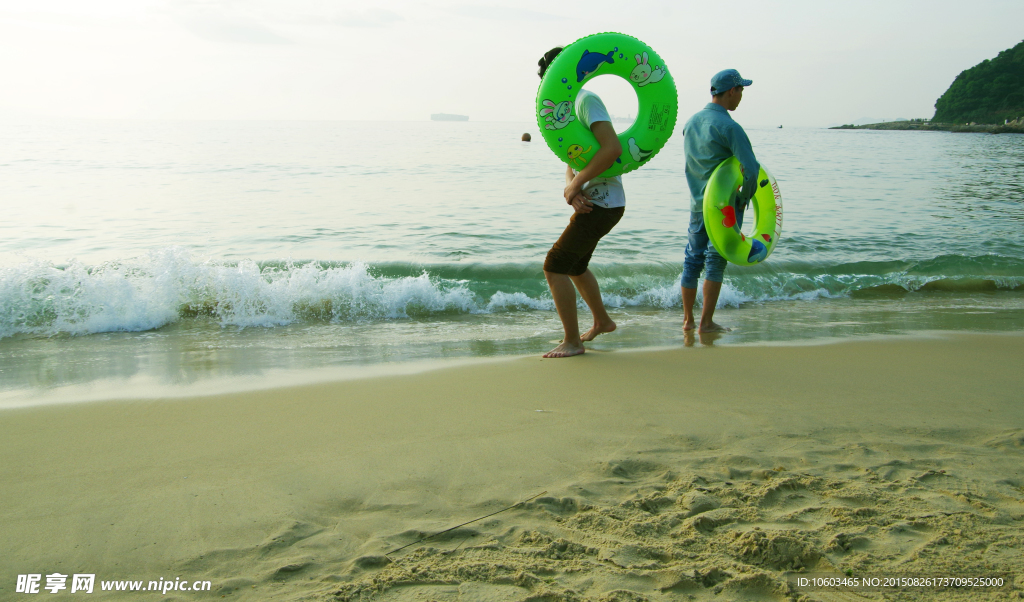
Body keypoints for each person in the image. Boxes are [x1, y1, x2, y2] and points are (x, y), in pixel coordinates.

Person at [537, 46, 624, 358]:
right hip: (593, 201)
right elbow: (571, 160)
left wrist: (576, 184)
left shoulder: (586, 100)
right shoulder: (567, 108)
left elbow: (611, 148)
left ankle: (572, 342)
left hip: (605, 201)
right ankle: (602, 321)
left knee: (554, 265)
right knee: (575, 266)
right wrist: (570, 188)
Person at [681, 69, 760, 333]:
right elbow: (751, 168)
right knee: (715, 261)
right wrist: (743, 199)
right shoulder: (730, 127)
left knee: (692, 260)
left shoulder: (691, 123)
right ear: (731, 92)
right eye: (741, 91)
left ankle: (688, 321)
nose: (741, 97)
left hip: (696, 204)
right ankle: (706, 322)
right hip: (724, 206)